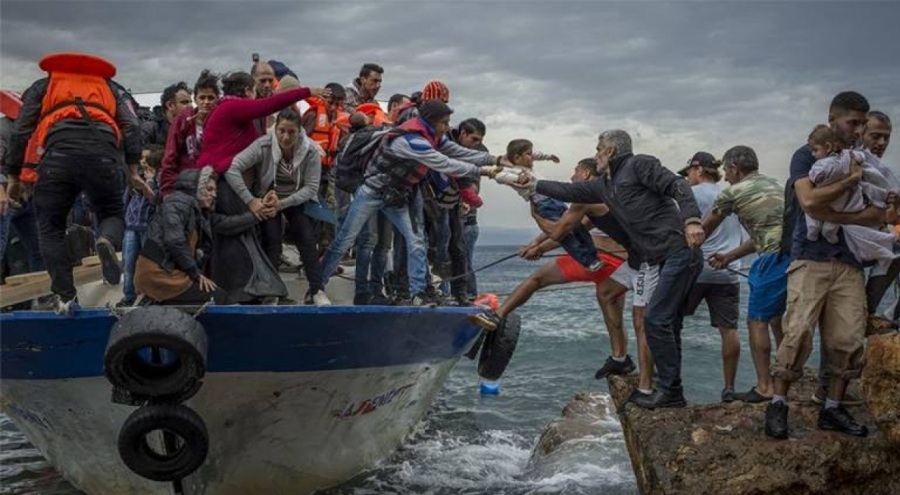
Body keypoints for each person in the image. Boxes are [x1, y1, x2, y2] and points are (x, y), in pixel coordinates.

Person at [521, 129, 704, 409]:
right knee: (668, 322)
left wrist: (691, 219)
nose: (596, 155)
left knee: (655, 320)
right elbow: (567, 190)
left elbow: (678, 185)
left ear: (610, 151)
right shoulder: (604, 185)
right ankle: (670, 389)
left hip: (679, 252)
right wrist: (532, 184)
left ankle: (669, 391)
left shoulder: (639, 165)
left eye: (598, 149)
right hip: (657, 259)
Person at [768, 91, 880, 439]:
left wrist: (835, 215)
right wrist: (848, 184)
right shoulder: (808, 154)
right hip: (810, 257)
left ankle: (832, 407)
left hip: (850, 261)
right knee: (797, 332)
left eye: (863, 124)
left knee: (847, 338)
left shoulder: (863, 158)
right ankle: (778, 404)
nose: (859, 130)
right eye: (853, 123)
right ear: (833, 119)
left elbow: (879, 215)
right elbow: (807, 200)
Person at [319, 100, 506, 305]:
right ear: (432, 121)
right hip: (372, 191)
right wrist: (481, 171)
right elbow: (443, 162)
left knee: (416, 241)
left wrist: (495, 160)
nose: (447, 127)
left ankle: (418, 293)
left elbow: (458, 152)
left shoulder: (434, 136)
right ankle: (317, 286)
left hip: (397, 196)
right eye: (444, 122)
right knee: (345, 239)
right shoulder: (409, 140)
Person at [4, 52, 144, 314]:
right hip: (103, 155)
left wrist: (13, 175)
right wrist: (134, 170)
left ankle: (66, 298)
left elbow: (21, 129)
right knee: (113, 212)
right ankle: (105, 240)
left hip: (58, 157)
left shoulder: (44, 85)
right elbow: (133, 126)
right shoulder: (113, 88)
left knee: (51, 226)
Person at [471, 158, 638, 374]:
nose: (572, 177)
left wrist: (537, 230)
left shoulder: (586, 197)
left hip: (597, 259)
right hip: (617, 263)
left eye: (576, 171)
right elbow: (571, 227)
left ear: (586, 174)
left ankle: (498, 314)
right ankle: (620, 357)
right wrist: (535, 244)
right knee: (612, 315)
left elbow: (561, 231)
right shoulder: (608, 195)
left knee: (536, 280)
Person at [703, 145, 789, 404]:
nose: (725, 177)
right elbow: (764, 233)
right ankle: (788, 374)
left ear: (735, 169)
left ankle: (765, 386)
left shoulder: (732, 193)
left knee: (757, 321)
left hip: (772, 258)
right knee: (777, 318)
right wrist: (729, 257)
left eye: (726, 171)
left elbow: (703, 231)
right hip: (796, 254)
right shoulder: (775, 184)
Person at [227, 108, 331, 306]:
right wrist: (251, 200)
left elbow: (311, 188)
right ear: (275, 130)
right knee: (272, 240)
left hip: (296, 198)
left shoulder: (310, 150)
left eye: (291, 132)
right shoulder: (263, 145)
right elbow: (233, 168)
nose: (285, 136)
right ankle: (271, 290)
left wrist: (282, 204)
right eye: (281, 131)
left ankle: (317, 290)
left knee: (306, 237)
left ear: (299, 131)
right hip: (267, 197)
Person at [677, 151, 743, 402]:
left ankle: (670, 381)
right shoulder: (731, 194)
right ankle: (729, 387)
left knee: (671, 322)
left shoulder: (691, 195)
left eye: (689, 173)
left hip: (696, 268)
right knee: (729, 330)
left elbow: (681, 230)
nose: (688, 179)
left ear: (699, 170)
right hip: (727, 271)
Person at [804, 124, 898, 274]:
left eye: (885, 138)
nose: (881, 143)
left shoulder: (836, 161)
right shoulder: (849, 157)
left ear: (827, 147)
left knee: (822, 222)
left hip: (848, 204)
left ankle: (818, 230)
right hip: (847, 205)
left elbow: (884, 215)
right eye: (875, 136)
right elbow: (808, 200)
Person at [496, 139, 599, 271]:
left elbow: (537, 155)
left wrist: (549, 157)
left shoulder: (528, 166)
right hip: (542, 203)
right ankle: (588, 261)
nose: (532, 157)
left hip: (554, 199)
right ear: (517, 157)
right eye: (528, 154)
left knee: (576, 226)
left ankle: (593, 256)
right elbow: (499, 176)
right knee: (564, 234)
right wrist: (517, 179)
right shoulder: (513, 171)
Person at [134, 167, 224, 305]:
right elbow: (174, 240)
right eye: (209, 189)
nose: (214, 195)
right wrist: (196, 274)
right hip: (159, 275)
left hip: (168, 273)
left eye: (215, 191)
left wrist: (255, 214)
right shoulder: (178, 203)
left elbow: (227, 223)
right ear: (198, 187)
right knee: (218, 297)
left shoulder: (194, 210)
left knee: (214, 296)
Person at [159, 70, 220, 196]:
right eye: (202, 97)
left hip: (214, 186)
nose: (206, 102)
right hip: (186, 186)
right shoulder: (184, 120)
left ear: (217, 99)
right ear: (196, 99)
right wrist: (168, 191)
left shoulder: (222, 122)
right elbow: (170, 156)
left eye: (211, 98)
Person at [118, 148, 160, 307]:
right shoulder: (134, 180)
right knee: (128, 262)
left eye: (146, 161)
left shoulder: (157, 181)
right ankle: (128, 296)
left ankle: (149, 295)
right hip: (131, 226)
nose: (143, 164)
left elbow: (155, 201)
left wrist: (149, 184)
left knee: (147, 264)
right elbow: (126, 200)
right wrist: (124, 218)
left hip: (147, 227)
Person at [142, 81, 193, 147]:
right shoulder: (150, 129)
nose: (190, 106)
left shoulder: (192, 126)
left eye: (190, 102)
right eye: (185, 102)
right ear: (170, 105)